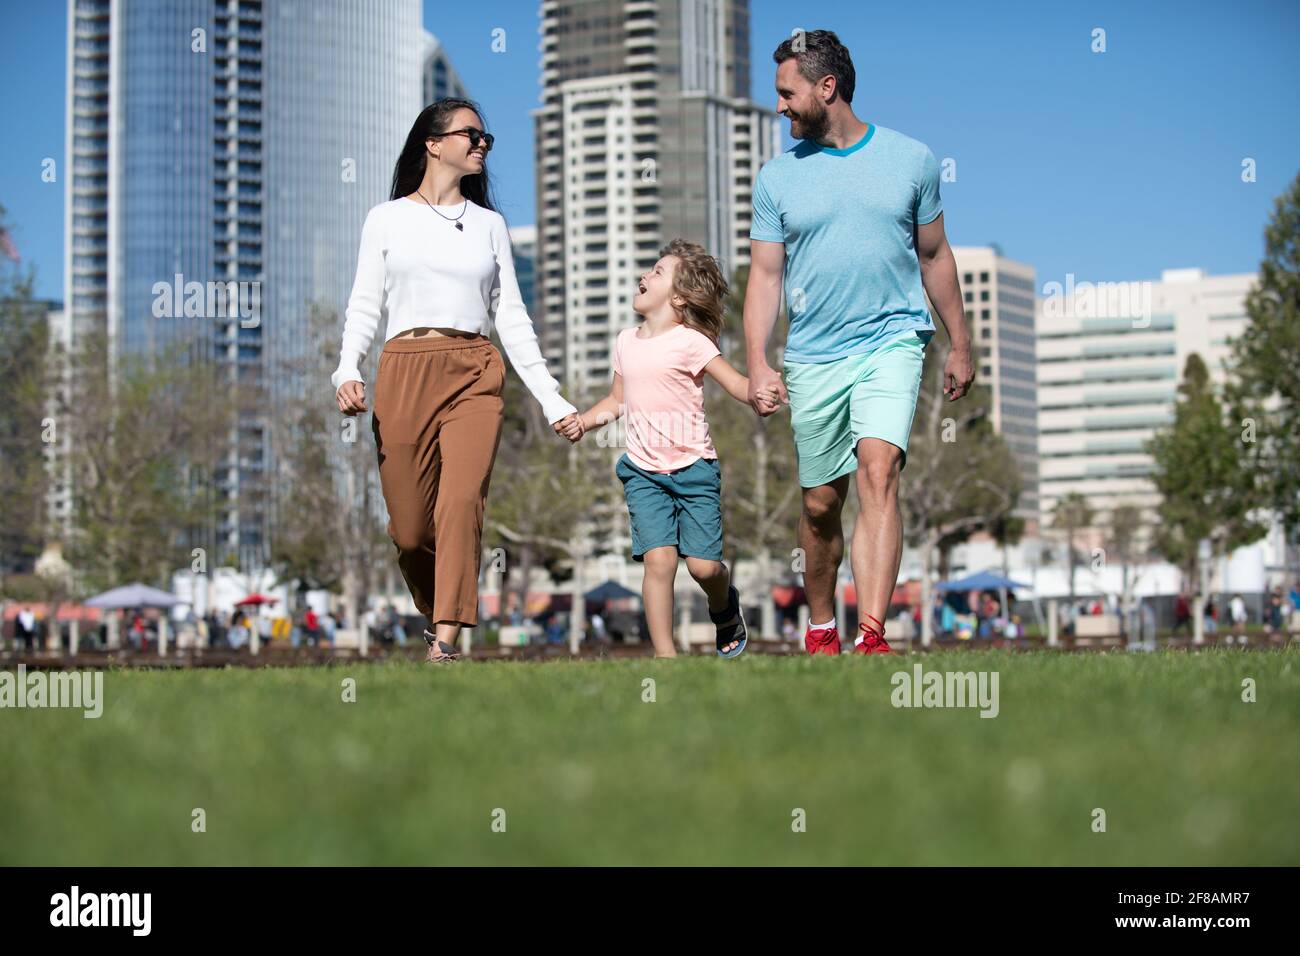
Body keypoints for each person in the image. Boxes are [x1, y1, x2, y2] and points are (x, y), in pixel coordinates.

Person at [742, 31, 973, 656]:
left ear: (827, 88)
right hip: (815, 354)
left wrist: (960, 342)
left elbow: (934, 256)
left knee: (880, 470)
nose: (780, 107)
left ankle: (871, 634)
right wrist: (758, 362)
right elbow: (765, 277)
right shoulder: (776, 179)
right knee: (821, 505)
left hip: (893, 339)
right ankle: (822, 624)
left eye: (788, 94)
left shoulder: (912, 160)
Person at [333, 98, 579, 664]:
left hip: (473, 371)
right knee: (411, 531)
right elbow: (364, 304)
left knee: (462, 500)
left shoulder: (490, 225)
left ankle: (446, 640)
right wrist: (347, 369)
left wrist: (550, 398)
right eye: (470, 134)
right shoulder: (386, 218)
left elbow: (511, 316)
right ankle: (433, 605)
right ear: (433, 142)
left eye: (486, 137)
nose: (481, 144)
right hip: (404, 370)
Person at [568, 241, 759, 659]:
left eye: (657, 271)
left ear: (677, 296)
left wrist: (760, 391)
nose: (645, 276)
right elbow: (617, 401)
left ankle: (724, 603)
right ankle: (666, 659)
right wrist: (584, 420)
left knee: (703, 567)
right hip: (643, 472)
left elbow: (736, 384)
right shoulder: (625, 342)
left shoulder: (691, 342)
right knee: (659, 562)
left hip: (694, 469)